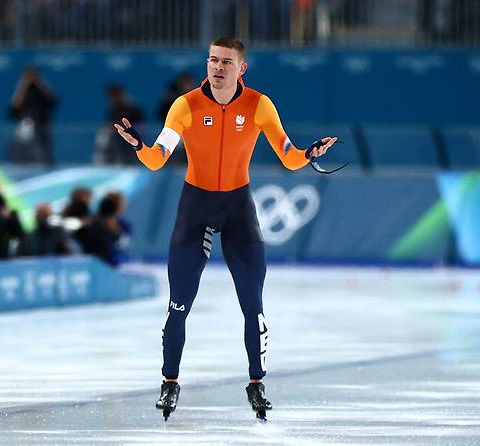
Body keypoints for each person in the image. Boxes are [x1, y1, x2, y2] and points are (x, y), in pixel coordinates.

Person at [114, 36, 337, 421]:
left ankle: (256, 384)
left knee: (253, 306)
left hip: (238, 210)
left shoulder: (259, 105)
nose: (217, 67)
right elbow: (157, 159)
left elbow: (288, 158)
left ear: (241, 68)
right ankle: (169, 382)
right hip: (195, 208)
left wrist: (308, 154)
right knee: (178, 305)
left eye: (226, 62)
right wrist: (139, 146)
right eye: (213, 60)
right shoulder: (185, 105)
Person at [7, 66, 57, 165]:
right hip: (26, 123)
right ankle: (21, 165)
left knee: (42, 149)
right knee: (23, 145)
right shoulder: (21, 89)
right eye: (28, 75)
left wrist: (39, 82)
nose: (31, 78)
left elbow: (52, 100)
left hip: (41, 123)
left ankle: (45, 165)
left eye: (33, 75)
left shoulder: (42, 89)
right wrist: (24, 84)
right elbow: (14, 107)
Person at [94, 84, 145, 165]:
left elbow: (140, 124)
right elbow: (111, 123)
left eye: (115, 95)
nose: (113, 99)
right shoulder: (113, 109)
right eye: (111, 96)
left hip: (130, 140)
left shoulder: (133, 108)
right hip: (116, 139)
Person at [74, 196, 122, 266]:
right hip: (97, 262)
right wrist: (114, 231)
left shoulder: (92, 222)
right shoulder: (95, 225)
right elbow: (105, 244)